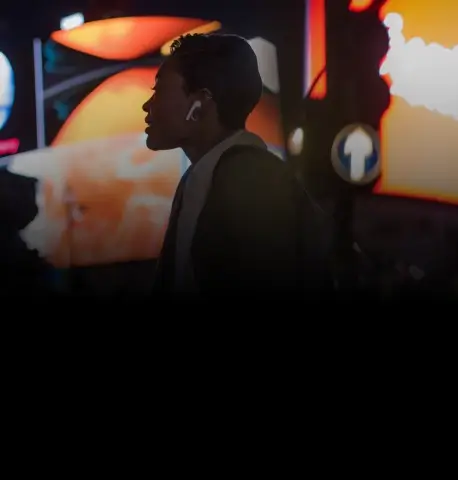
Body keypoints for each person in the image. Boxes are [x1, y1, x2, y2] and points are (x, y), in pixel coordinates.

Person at [142, 33, 330, 294]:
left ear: (200, 103)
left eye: (159, 90)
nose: (147, 105)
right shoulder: (208, 176)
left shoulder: (250, 181)